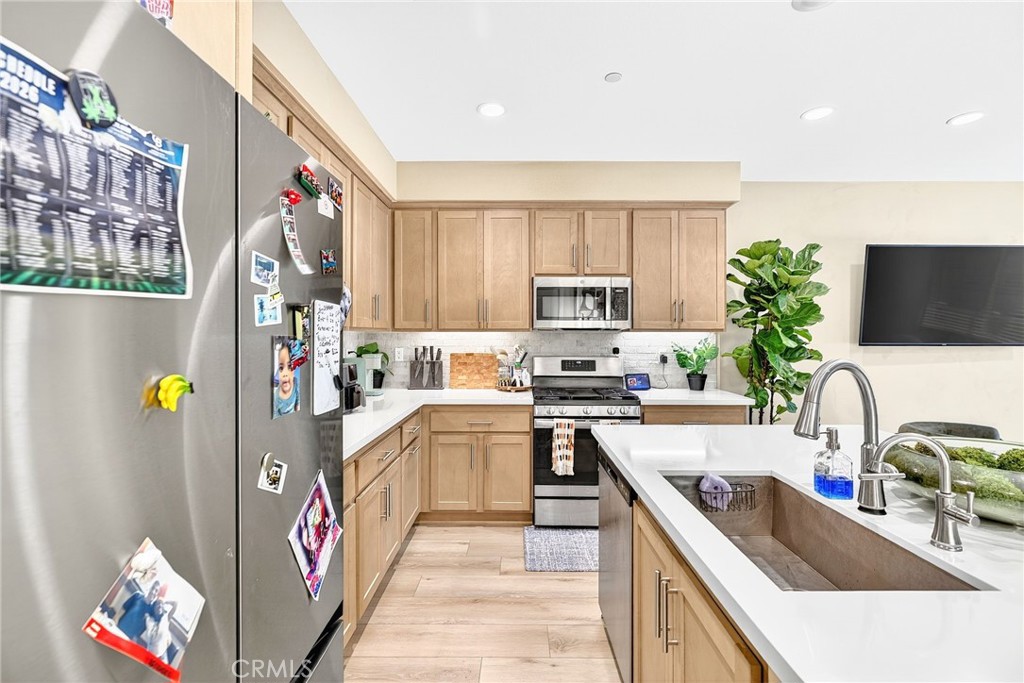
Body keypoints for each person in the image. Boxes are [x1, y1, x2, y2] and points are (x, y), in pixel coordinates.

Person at [117, 581, 161, 646]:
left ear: (157, 595)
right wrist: (115, 621)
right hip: (119, 628)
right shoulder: (137, 595)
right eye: (152, 588)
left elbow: (155, 624)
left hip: (129, 639)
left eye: (156, 591)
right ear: (149, 587)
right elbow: (123, 608)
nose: (153, 591)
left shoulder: (153, 611)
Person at [273, 342, 298, 417]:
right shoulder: (276, 398)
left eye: (289, 366)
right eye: (281, 368)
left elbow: (298, 401)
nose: (285, 373)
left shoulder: (296, 383)